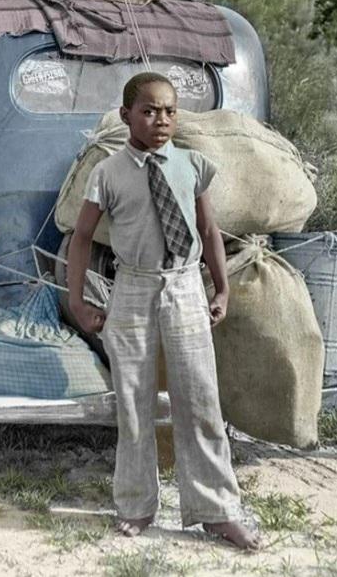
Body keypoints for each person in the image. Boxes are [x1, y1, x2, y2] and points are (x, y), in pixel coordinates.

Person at [66, 71, 260, 550]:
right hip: (132, 289)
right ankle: (135, 505)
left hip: (185, 287)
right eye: (149, 111)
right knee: (133, 403)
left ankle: (217, 510)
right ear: (127, 114)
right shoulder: (107, 174)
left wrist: (221, 289)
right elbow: (83, 237)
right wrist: (78, 300)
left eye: (170, 110)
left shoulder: (192, 164)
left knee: (200, 400)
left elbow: (210, 231)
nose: (160, 120)